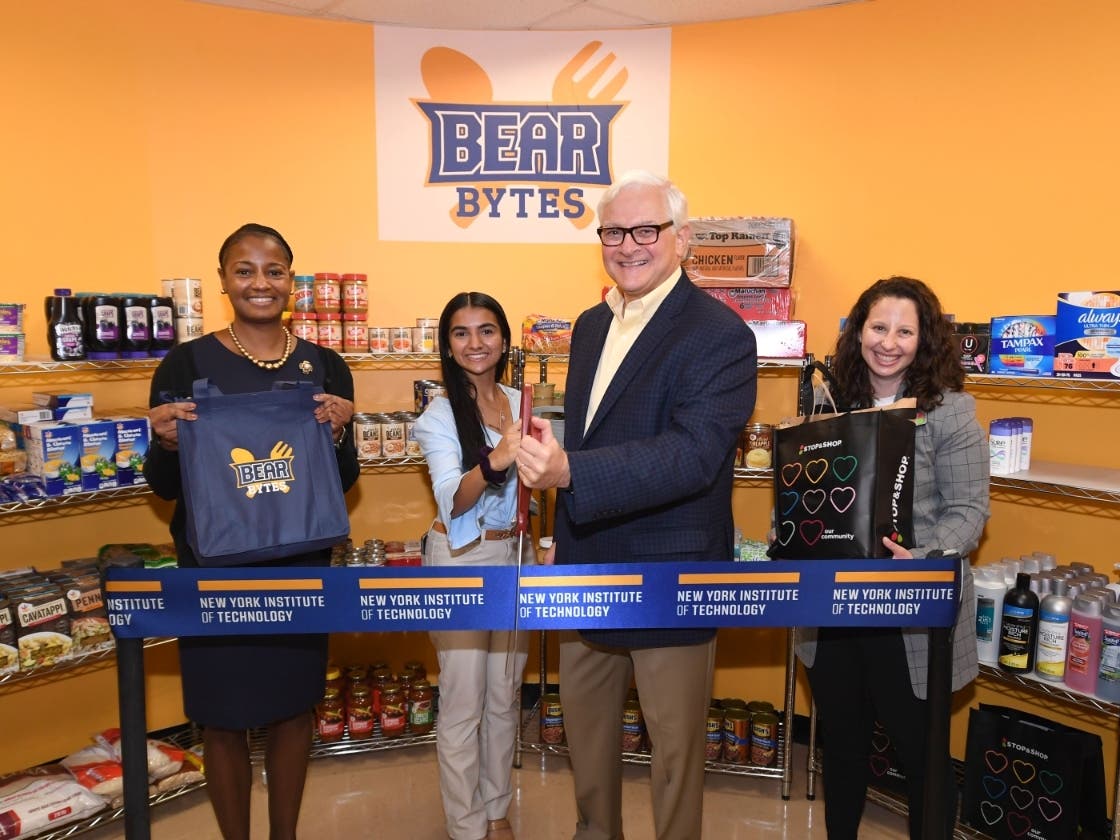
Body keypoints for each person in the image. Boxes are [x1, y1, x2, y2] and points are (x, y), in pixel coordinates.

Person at [516, 170, 758, 840]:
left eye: (645, 229)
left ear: (681, 239)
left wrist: (568, 471)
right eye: (614, 231)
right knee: (587, 746)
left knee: (675, 759)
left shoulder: (720, 335)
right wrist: (561, 534)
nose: (628, 245)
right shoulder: (593, 324)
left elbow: (693, 454)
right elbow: (596, 433)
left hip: (671, 575)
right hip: (588, 564)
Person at [144, 223, 358, 840]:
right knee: (220, 718)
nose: (260, 283)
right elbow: (164, 486)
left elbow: (339, 483)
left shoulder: (326, 364)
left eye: (274, 270)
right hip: (213, 567)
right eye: (245, 270)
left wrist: (341, 431)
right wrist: (160, 442)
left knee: (294, 711)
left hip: (299, 563)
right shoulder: (184, 363)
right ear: (222, 281)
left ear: (291, 279)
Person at [795, 275, 989, 840]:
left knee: (922, 754)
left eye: (905, 331)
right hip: (834, 610)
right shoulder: (830, 403)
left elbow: (970, 512)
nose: (889, 341)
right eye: (879, 327)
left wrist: (919, 560)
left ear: (924, 340)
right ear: (858, 333)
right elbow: (807, 491)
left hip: (910, 610)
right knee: (844, 749)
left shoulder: (950, 411)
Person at [413, 292, 531, 840]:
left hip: (516, 555)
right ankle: (465, 827)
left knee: (505, 693)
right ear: (447, 344)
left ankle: (497, 809)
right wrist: (497, 457)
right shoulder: (437, 416)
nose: (476, 343)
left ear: (504, 340)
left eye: (487, 331)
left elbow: (539, 485)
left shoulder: (519, 401)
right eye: (461, 333)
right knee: (463, 701)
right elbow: (452, 499)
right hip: (460, 558)